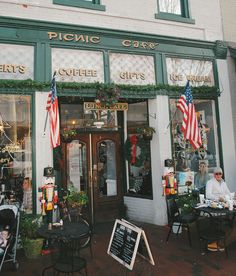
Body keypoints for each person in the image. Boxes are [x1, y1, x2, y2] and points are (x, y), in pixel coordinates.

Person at [205, 167, 231, 252]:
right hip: (215, 205)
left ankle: (225, 233)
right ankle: (219, 236)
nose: (219, 175)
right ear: (214, 174)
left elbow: (228, 193)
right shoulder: (210, 182)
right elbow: (208, 195)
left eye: (220, 173)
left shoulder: (223, 182)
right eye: (217, 173)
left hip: (224, 204)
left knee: (230, 213)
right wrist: (218, 198)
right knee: (221, 219)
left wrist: (231, 196)